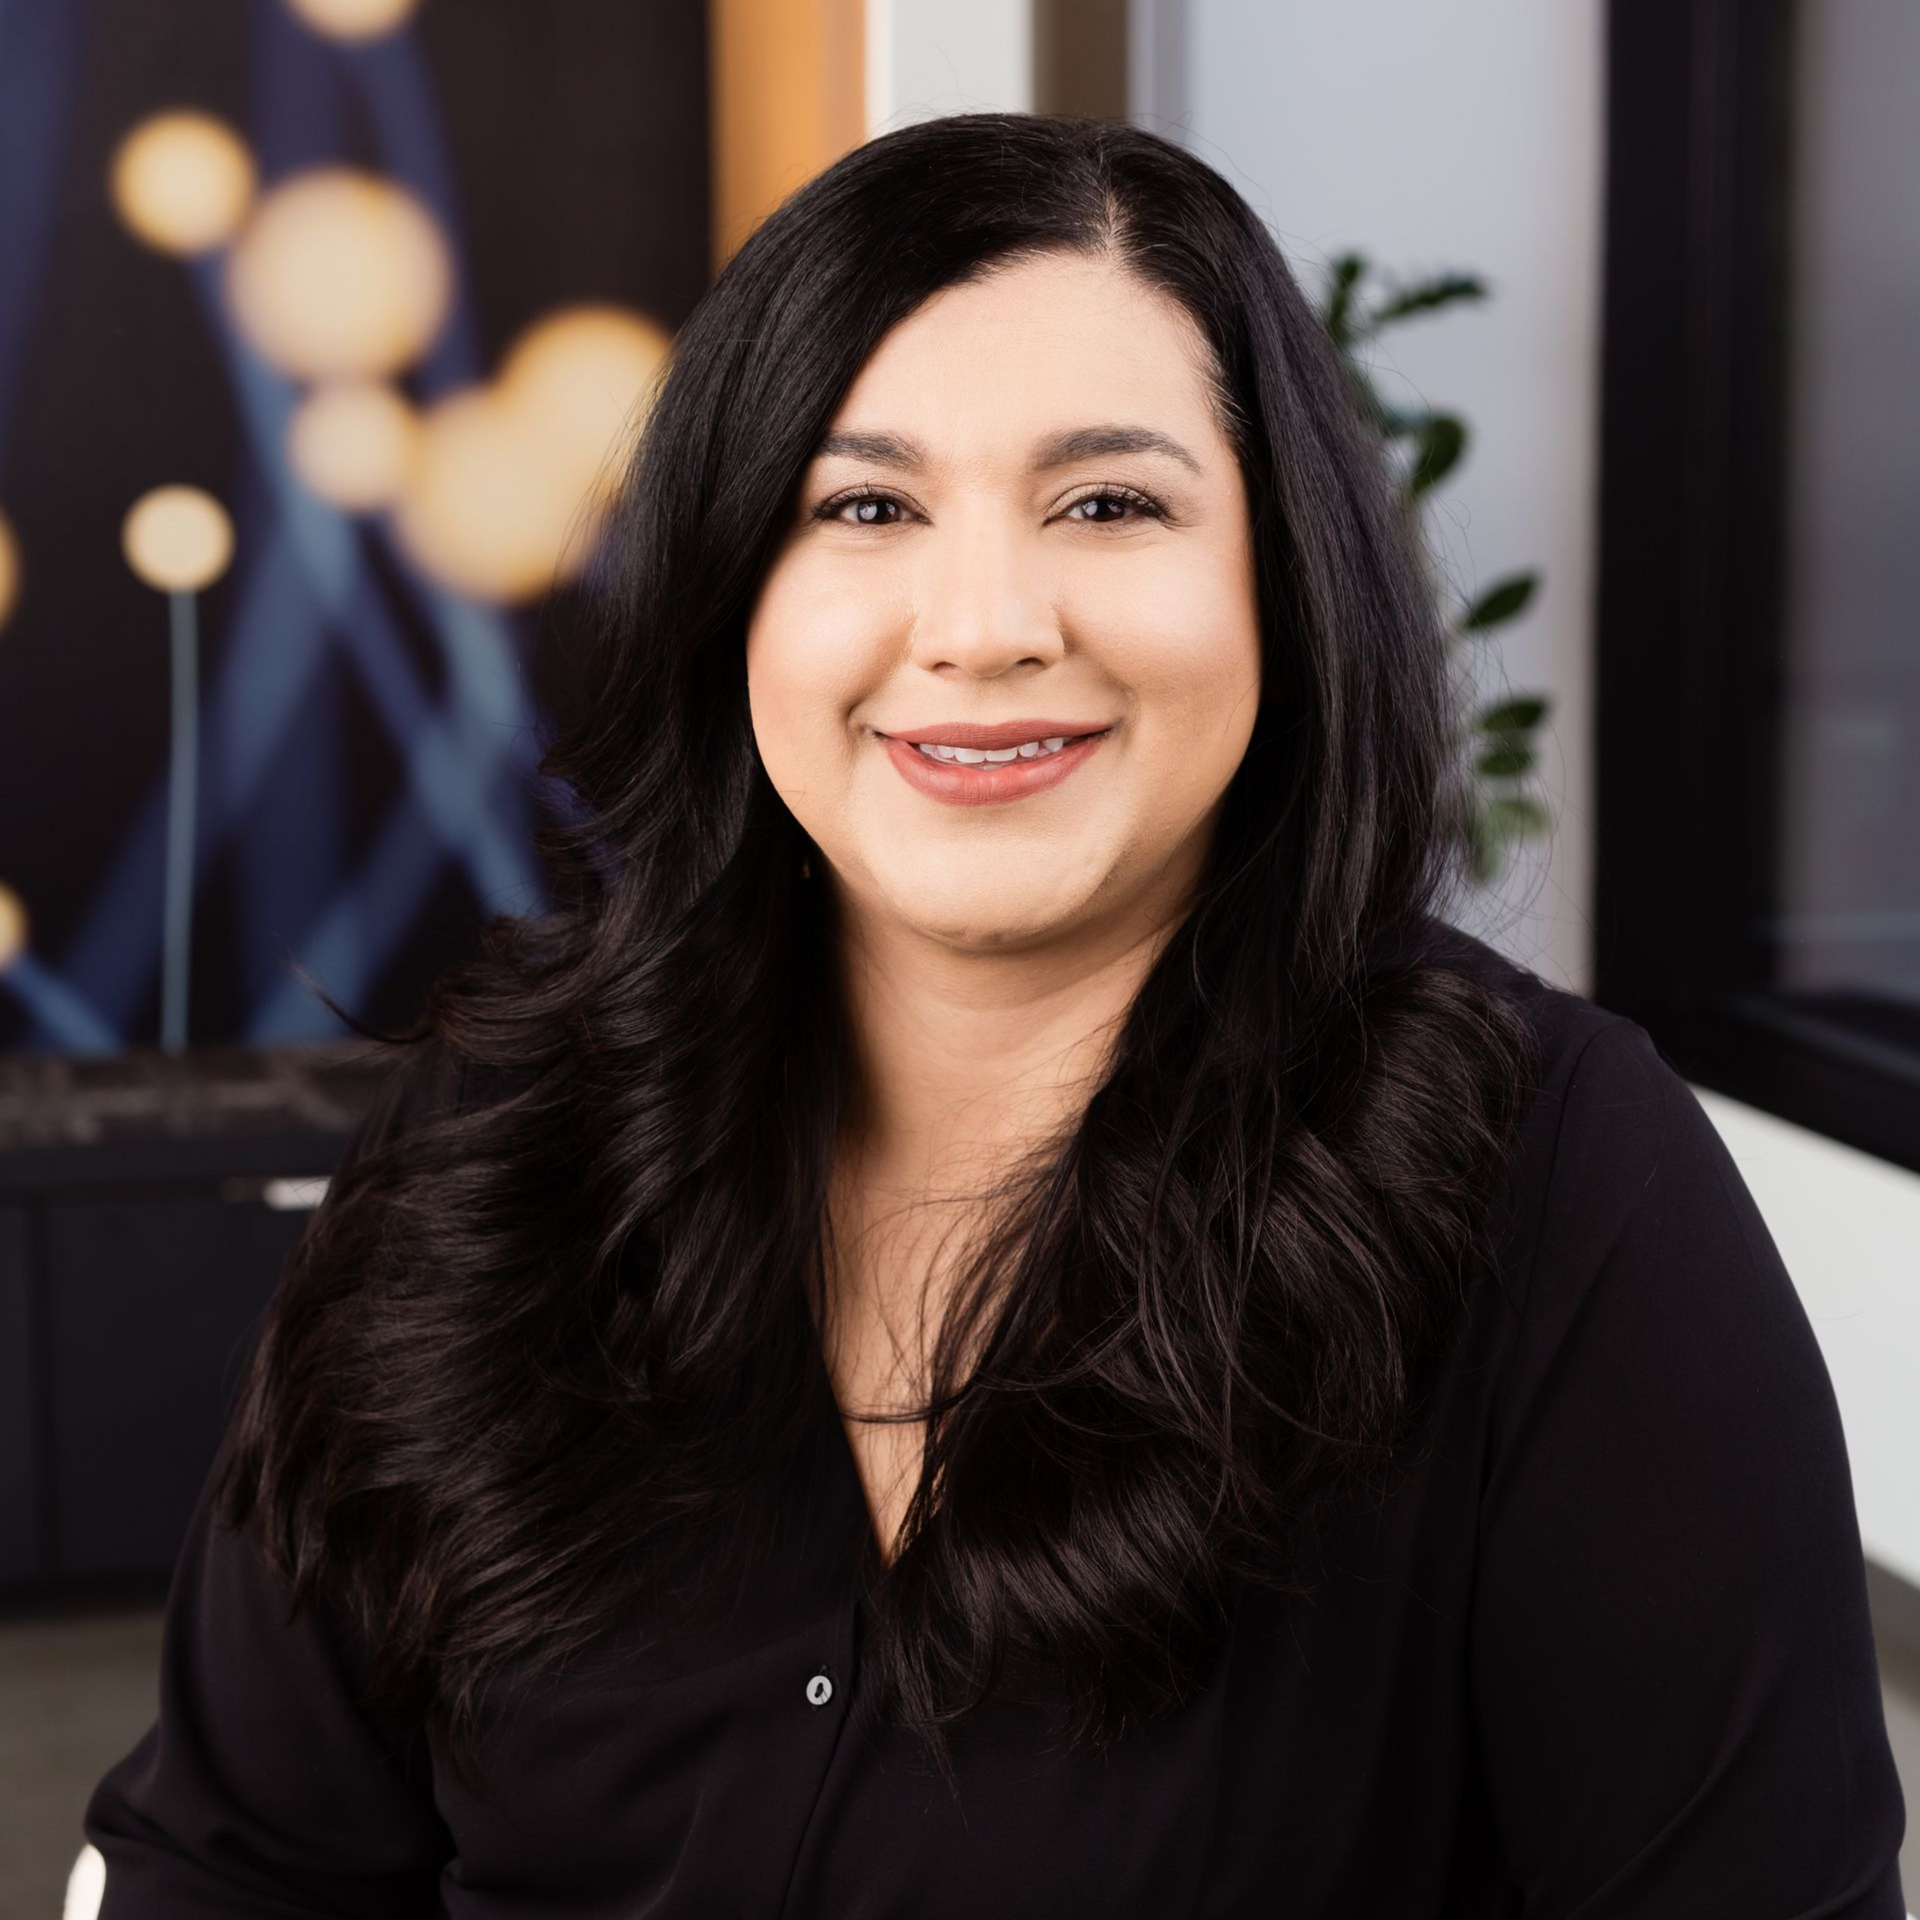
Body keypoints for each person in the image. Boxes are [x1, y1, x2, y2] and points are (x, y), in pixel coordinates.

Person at [84, 111, 1907, 1916]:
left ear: (1281, 574)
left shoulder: (1564, 1191)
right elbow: (233, 1861)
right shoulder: (495, 1138)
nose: (980, 623)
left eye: (1109, 503)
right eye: (863, 506)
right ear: (736, 589)